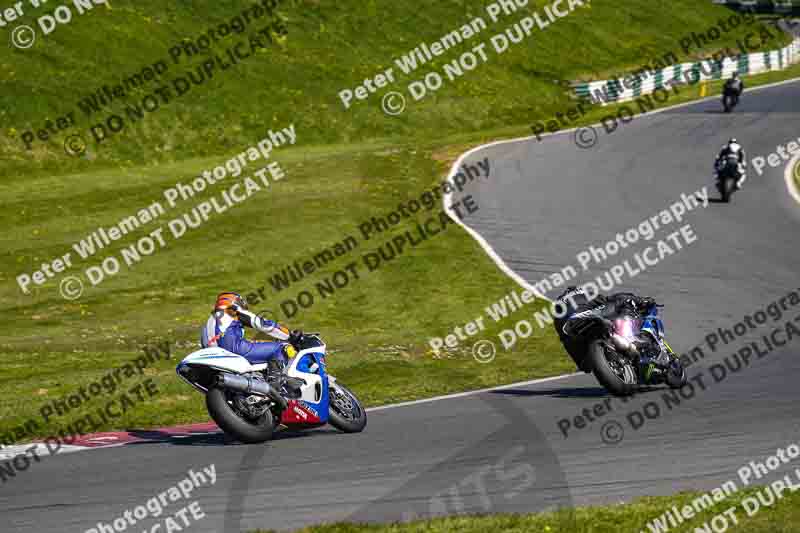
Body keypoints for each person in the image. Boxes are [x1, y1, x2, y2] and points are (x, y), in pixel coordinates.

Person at [553, 286, 666, 380]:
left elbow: (585, 366)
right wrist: (641, 300)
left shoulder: (560, 315)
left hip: (572, 329)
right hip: (584, 319)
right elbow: (608, 300)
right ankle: (631, 338)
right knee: (623, 301)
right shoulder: (581, 294)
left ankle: (624, 344)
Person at [200, 292, 302, 372]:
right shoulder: (232, 310)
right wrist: (289, 335)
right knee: (282, 347)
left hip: (214, 357)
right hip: (235, 350)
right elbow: (263, 324)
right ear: (234, 301)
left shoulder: (209, 321)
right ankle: (278, 381)